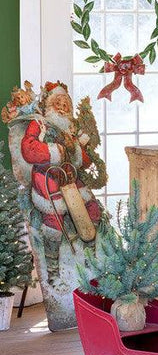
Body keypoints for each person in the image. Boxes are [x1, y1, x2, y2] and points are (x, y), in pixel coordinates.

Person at [20, 82, 103, 276]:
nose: (62, 107)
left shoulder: (71, 128)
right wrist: (55, 151)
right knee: (54, 218)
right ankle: (52, 269)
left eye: (65, 104)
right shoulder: (39, 123)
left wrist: (77, 150)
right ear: (49, 104)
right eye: (58, 103)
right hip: (46, 176)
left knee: (91, 208)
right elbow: (28, 149)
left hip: (69, 176)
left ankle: (91, 258)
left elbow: (85, 161)